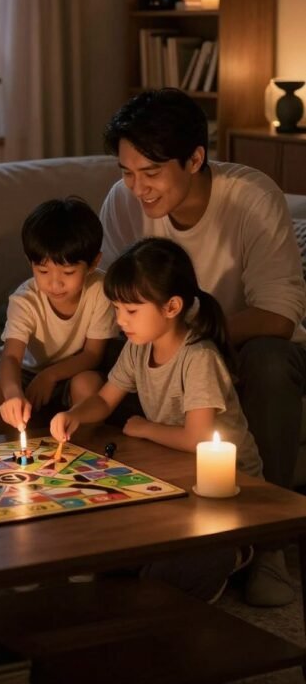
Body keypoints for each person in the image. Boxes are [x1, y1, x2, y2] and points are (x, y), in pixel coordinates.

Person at [99, 87, 306, 606]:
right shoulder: (122, 202)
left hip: (246, 344)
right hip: (164, 343)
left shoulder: (250, 198)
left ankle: (268, 544)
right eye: (126, 171)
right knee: (104, 363)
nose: (136, 188)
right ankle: (142, 526)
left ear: (195, 158)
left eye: (150, 173)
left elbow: (279, 318)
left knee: (269, 364)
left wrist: (189, 343)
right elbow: (114, 296)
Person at [51, 236, 261, 604]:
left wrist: (144, 427)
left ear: (172, 307)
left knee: (166, 579)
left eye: (130, 311)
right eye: (116, 309)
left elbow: (198, 439)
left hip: (228, 487)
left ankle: (235, 550)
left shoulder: (199, 357)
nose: (120, 321)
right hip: (178, 474)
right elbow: (103, 399)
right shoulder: (138, 347)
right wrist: (73, 414)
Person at [0, 197, 114, 436]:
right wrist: (14, 395)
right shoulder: (25, 300)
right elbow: (11, 357)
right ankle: (7, 458)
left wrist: (50, 375)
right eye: (42, 271)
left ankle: (85, 454)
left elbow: (93, 354)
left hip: (72, 370)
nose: (54, 283)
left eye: (68, 272)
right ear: (30, 263)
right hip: (25, 370)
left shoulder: (100, 291)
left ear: (94, 262)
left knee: (88, 384)